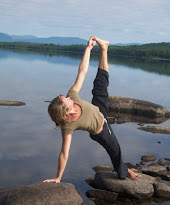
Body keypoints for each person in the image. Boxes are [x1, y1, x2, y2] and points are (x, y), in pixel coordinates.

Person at [43, 36, 141, 183]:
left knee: (100, 83)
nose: (69, 97)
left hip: (99, 108)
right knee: (115, 150)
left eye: (66, 97)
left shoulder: (72, 96)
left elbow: (82, 71)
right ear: (66, 112)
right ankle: (125, 172)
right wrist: (58, 177)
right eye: (66, 100)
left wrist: (88, 49)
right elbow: (64, 153)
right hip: (101, 130)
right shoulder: (68, 126)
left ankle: (104, 48)